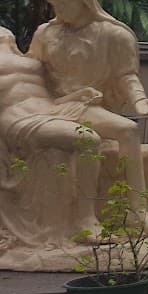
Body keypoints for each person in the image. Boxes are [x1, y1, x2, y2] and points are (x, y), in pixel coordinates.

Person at [29, 0, 148, 232]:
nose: (58, 9)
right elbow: (31, 71)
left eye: (63, 2)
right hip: (51, 106)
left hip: (86, 107)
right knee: (99, 135)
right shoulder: (45, 33)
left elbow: (126, 75)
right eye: (54, 3)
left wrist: (139, 100)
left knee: (127, 130)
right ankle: (87, 218)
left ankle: (137, 211)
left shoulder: (114, 35)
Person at [0, 27, 105, 270]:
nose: (5, 36)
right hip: (18, 119)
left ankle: (109, 215)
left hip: (51, 110)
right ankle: (85, 218)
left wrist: (76, 96)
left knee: (121, 130)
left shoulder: (27, 60)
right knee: (88, 139)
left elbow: (47, 94)